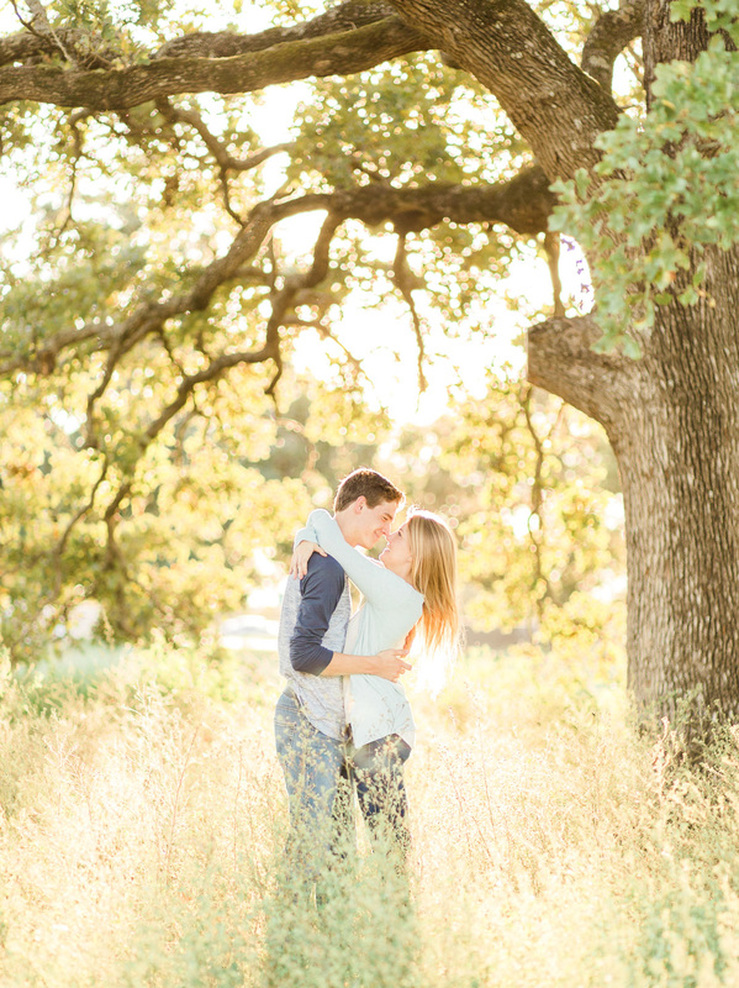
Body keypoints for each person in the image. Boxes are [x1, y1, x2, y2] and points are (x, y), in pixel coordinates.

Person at [291, 504, 460, 867]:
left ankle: (396, 921)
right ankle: (375, 918)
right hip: (366, 733)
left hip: (379, 736)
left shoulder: (397, 595)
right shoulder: (393, 592)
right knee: (371, 845)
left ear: (415, 555)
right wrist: (306, 539)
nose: (387, 534)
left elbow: (329, 530)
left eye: (398, 535)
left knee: (388, 850)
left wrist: (308, 533)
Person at [273, 468, 409, 890]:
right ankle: (287, 939)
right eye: (385, 517)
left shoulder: (330, 556)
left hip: (320, 722)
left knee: (334, 849)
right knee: (313, 844)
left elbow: (322, 522)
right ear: (359, 505)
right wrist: (375, 664)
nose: (388, 530)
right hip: (307, 719)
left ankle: (324, 940)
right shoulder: (329, 568)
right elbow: (304, 655)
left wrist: (308, 530)